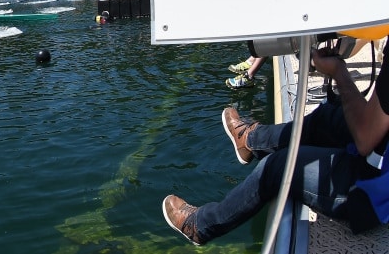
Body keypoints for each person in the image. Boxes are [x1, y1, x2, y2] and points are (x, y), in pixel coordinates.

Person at [162, 40, 389, 244]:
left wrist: (339, 72)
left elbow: (365, 138)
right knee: (326, 118)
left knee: (275, 167)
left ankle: (200, 226)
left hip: (373, 190)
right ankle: (250, 140)